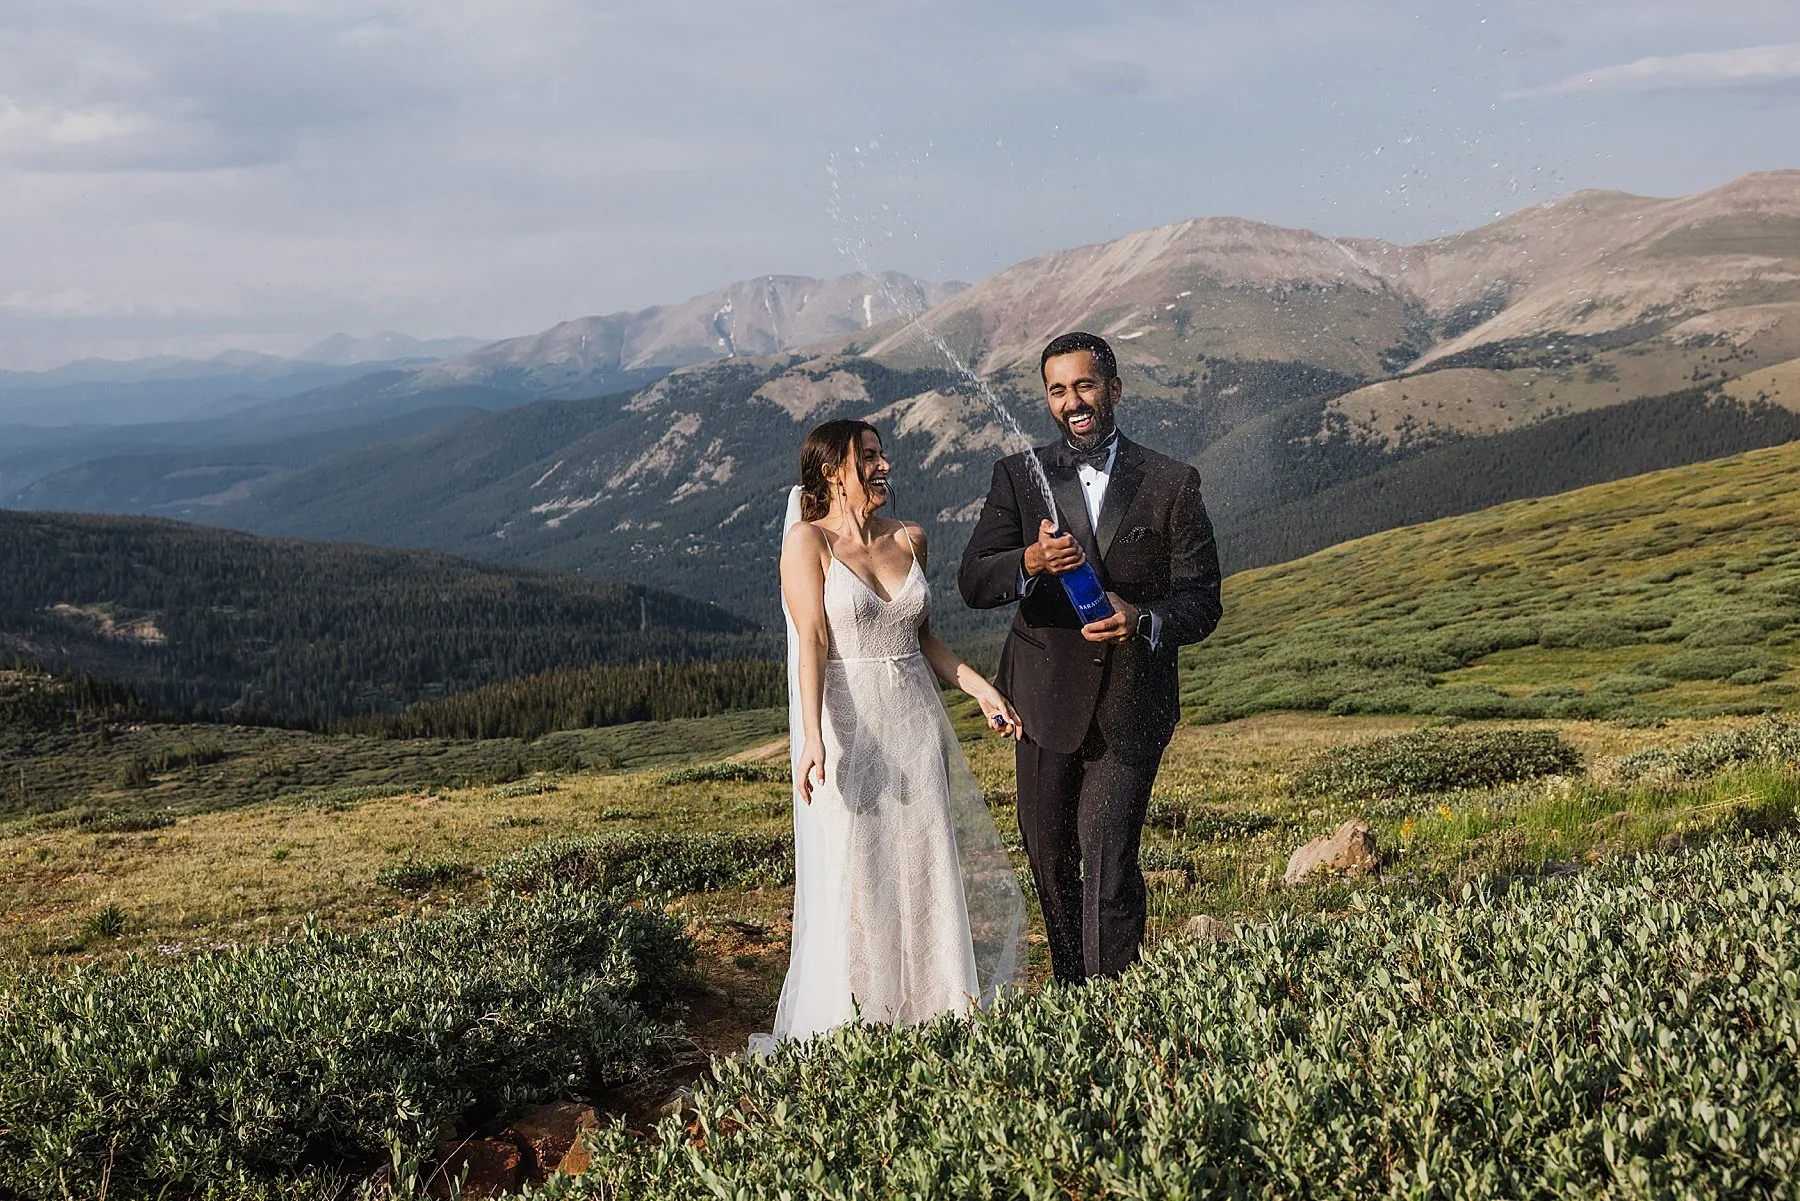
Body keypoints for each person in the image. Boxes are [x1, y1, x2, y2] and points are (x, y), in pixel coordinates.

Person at [958, 332, 1222, 983]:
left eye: (1084, 385)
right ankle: (1076, 995)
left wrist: (1143, 620)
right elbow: (974, 580)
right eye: (1057, 389)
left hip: (1134, 705)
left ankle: (1112, 1007)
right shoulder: (1018, 477)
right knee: (1050, 857)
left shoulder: (1172, 483)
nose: (1072, 401)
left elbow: (1203, 602)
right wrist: (1030, 560)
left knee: (1107, 861)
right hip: (1043, 699)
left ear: (1114, 389)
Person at [757, 419, 1026, 1046]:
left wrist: (981, 689)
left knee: (925, 861)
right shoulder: (807, 543)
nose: (885, 467)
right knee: (860, 868)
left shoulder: (911, 537)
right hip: (850, 724)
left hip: (914, 721)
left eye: (882, 456)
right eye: (869, 458)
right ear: (832, 472)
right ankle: (859, 1023)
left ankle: (939, 1012)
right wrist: (814, 737)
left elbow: (922, 637)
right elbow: (813, 642)